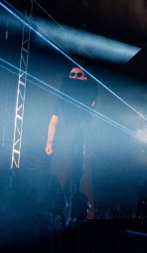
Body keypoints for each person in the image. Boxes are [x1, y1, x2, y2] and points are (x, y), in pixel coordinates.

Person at [45, 66, 97, 224]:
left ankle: (84, 215)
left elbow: (91, 103)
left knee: (82, 177)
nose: (75, 77)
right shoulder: (62, 99)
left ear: (85, 78)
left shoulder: (89, 95)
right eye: (72, 74)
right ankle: (56, 213)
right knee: (59, 176)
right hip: (64, 142)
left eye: (79, 75)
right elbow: (53, 121)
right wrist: (49, 142)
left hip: (81, 142)